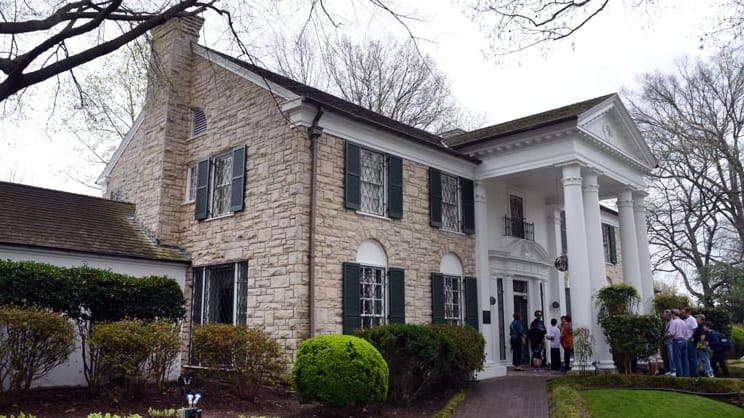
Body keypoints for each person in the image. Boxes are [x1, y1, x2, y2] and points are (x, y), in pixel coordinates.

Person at [669, 309, 689, 377]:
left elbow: (672, 333)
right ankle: (686, 375)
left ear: (673, 314)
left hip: (677, 341)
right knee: (685, 359)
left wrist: (665, 337)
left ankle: (679, 375)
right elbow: (687, 333)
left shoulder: (673, 322)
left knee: (677, 359)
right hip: (684, 341)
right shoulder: (684, 322)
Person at [683, 308, 698, 377]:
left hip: (690, 340)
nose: (683, 314)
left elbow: (695, 328)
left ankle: (694, 373)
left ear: (688, 313)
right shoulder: (684, 320)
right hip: (685, 339)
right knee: (687, 357)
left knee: (692, 357)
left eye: (684, 313)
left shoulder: (692, 319)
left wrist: (691, 336)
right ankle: (689, 372)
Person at [661, 309, 675, 376]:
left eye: (664, 314)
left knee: (671, 356)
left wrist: (664, 337)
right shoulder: (666, 322)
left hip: (670, 341)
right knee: (668, 356)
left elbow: (671, 332)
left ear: (667, 315)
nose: (663, 315)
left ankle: (673, 370)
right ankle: (670, 370)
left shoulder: (672, 322)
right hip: (667, 342)